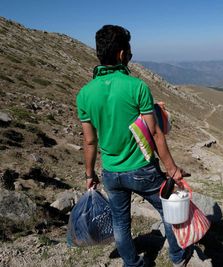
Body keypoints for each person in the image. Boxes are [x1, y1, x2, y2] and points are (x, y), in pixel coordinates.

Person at [76, 25, 191, 267]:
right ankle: (178, 257)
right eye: (128, 49)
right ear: (121, 54)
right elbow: (156, 133)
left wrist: (89, 174)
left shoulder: (84, 94)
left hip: (111, 172)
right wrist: (172, 170)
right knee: (168, 211)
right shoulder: (136, 87)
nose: (130, 54)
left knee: (120, 221)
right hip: (142, 170)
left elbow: (89, 141)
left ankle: (131, 263)